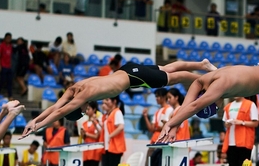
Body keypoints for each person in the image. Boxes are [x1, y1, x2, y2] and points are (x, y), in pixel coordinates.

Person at [21, 58, 218, 137]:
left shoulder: (83, 96)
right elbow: (56, 106)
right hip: (125, 72)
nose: (84, 110)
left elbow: (61, 110)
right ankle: (202, 64)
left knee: (174, 78)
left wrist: (38, 125)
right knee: (167, 68)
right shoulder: (75, 88)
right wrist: (34, 119)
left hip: (132, 77)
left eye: (80, 111)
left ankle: (205, 79)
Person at [101, 96, 125, 166]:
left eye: (107, 100)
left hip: (115, 147)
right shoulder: (108, 115)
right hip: (107, 147)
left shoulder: (117, 112)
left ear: (114, 101)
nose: (104, 102)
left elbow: (121, 126)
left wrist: (110, 136)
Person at [80, 101, 103, 166]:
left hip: (94, 151)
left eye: (88, 109)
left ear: (94, 109)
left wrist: (86, 134)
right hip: (86, 151)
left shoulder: (97, 122)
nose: (87, 111)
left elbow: (97, 136)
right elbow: (83, 137)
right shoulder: (84, 123)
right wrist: (83, 134)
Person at [0, 32, 14, 98]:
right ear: (5, 38)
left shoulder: (10, 46)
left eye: (10, 38)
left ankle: (10, 95)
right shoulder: (1, 45)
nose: (8, 39)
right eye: (7, 38)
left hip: (9, 66)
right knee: (2, 80)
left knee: (10, 81)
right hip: (3, 65)